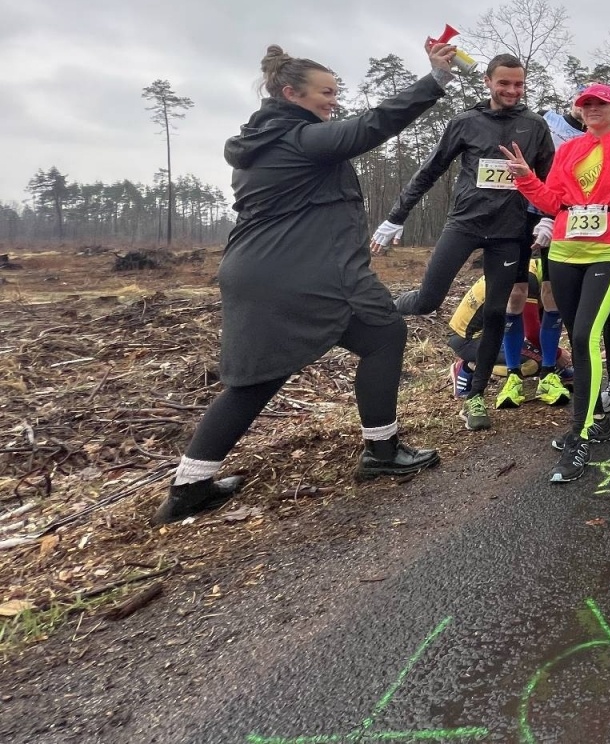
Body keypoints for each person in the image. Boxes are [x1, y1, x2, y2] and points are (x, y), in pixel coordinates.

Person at [153, 41, 455, 524]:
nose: (333, 101)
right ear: (290, 92)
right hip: (303, 274)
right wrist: (434, 80)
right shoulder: (297, 140)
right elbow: (370, 127)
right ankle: (381, 452)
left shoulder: (261, 143)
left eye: (336, 92)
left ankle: (190, 486)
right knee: (383, 334)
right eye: (325, 93)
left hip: (258, 271)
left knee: (261, 377)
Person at [373, 54, 555, 431]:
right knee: (427, 300)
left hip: (509, 232)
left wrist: (548, 218)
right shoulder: (466, 122)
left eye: (518, 84)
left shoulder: (535, 126)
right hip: (465, 225)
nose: (511, 90)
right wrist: (396, 216)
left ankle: (474, 396)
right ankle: (380, 309)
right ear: (488, 82)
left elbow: (550, 179)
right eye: (503, 83)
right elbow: (430, 170)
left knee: (495, 315)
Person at [502, 83, 610, 483]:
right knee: (575, 335)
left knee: (585, 336)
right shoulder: (568, 149)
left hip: (608, 252)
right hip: (565, 251)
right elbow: (552, 202)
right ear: (580, 111)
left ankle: (579, 435)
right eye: (586, 105)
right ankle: (597, 420)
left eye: (600, 104)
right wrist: (526, 178)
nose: (593, 110)